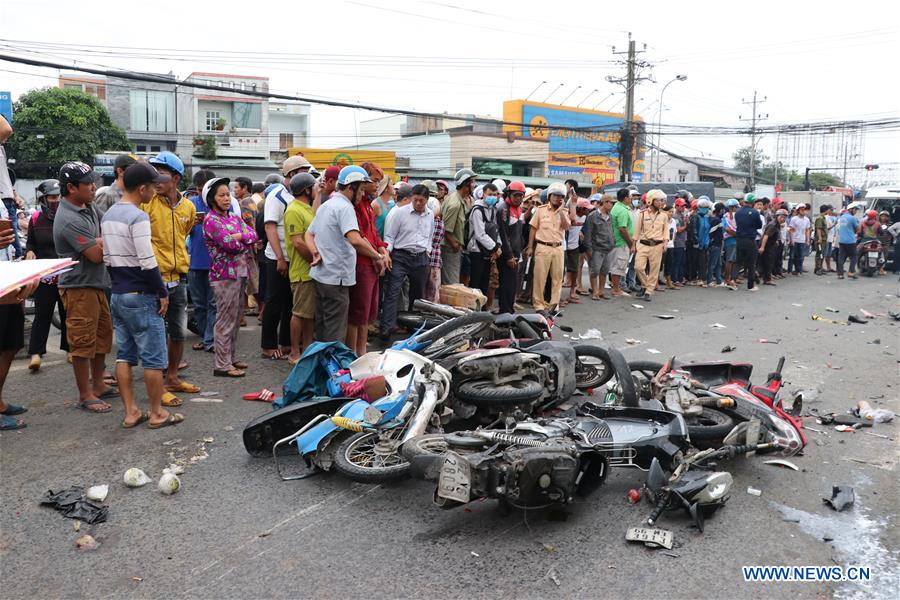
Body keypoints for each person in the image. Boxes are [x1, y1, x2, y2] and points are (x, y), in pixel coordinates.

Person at [101, 162, 184, 429]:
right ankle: (158, 413)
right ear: (142, 188)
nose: (156, 189)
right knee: (153, 358)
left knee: (124, 355)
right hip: (142, 293)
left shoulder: (109, 215)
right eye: (153, 185)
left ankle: (131, 412)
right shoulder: (138, 217)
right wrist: (161, 292)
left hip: (119, 293)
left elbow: (107, 258)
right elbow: (148, 261)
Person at [53, 161, 118, 413]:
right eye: (88, 183)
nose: (94, 187)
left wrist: (102, 240)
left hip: (97, 283)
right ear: (71, 187)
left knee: (102, 337)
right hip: (78, 287)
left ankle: (99, 384)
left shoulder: (87, 205)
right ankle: (85, 394)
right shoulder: (69, 218)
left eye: (94, 181)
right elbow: (95, 255)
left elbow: (109, 228)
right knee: (82, 342)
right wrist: (102, 242)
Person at [143, 151, 199, 403]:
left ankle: (173, 377)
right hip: (155, 278)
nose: (155, 178)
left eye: (161, 173)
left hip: (180, 276)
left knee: (178, 331)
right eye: (152, 172)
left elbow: (185, 233)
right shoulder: (147, 203)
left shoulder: (188, 207)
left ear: (176, 177)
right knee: (154, 332)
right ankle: (156, 386)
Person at [306, 165, 383, 342]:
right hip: (336, 279)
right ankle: (333, 369)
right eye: (361, 189)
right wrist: (377, 256)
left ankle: (322, 366)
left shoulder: (327, 205)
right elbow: (355, 239)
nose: (363, 194)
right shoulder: (345, 207)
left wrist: (315, 252)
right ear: (350, 187)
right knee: (335, 332)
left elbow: (309, 234)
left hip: (321, 276)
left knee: (323, 327)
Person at [202, 177, 258, 378]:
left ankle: (230, 359)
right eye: (222, 195)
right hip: (223, 275)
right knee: (225, 319)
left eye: (228, 194)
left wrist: (240, 237)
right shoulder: (211, 220)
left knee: (235, 319)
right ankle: (222, 364)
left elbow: (253, 235)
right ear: (212, 198)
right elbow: (229, 245)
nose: (227, 198)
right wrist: (241, 240)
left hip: (241, 272)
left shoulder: (233, 217)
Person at [261, 156, 311, 359]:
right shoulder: (277, 196)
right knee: (274, 301)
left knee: (290, 303)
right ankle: (268, 345)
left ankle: (286, 342)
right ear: (292, 174)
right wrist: (280, 258)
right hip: (276, 257)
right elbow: (269, 226)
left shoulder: (296, 196)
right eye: (303, 171)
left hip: (295, 258)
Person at [24, 179, 69, 370]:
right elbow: (31, 243)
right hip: (45, 276)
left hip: (67, 274)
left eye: (58, 197)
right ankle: (36, 353)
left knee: (68, 314)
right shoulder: (35, 219)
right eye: (51, 197)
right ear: (43, 199)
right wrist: (29, 252)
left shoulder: (67, 217)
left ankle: (71, 350)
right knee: (42, 314)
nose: (55, 201)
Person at [347, 162, 390, 357]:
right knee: (357, 314)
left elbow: (373, 234)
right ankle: (352, 353)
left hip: (371, 262)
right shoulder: (355, 206)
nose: (376, 186)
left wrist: (383, 251)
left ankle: (362, 351)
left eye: (379, 182)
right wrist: (378, 255)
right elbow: (360, 236)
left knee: (367, 314)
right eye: (373, 181)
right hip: (361, 263)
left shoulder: (368, 206)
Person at [284, 173, 317, 360]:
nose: (315, 190)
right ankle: (295, 352)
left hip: (310, 271)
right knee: (298, 313)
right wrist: (314, 257)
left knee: (308, 315)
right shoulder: (294, 210)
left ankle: (307, 350)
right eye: (313, 187)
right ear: (306, 190)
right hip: (302, 271)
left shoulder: (307, 208)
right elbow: (297, 242)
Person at [526, 182, 573, 312]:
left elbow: (566, 226)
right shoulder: (541, 210)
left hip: (558, 248)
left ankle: (554, 305)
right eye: (555, 195)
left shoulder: (564, 211)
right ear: (549, 196)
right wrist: (530, 247)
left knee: (557, 278)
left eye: (561, 196)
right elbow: (533, 228)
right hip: (542, 246)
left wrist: (561, 211)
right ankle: (539, 305)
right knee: (540, 277)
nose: (558, 198)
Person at [186, 169, 217, 353]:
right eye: (198, 189)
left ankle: (210, 339)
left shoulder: (221, 203)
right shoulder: (190, 204)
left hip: (216, 263)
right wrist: (191, 224)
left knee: (214, 304)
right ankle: (206, 336)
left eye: (204, 189)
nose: (200, 193)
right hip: (194, 261)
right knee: (199, 304)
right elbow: (180, 231)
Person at [466, 182, 501, 297]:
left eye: (495, 194)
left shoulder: (492, 209)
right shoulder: (477, 210)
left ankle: (482, 309)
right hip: (477, 250)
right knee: (475, 282)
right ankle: (472, 309)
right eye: (490, 194)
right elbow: (480, 234)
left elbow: (496, 230)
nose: (493, 197)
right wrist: (495, 247)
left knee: (485, 282)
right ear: (483, 195)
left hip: (488, 250)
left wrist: (498, 246)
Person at [633, 190, 669, 302]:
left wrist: (665, 243)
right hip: (643, 244)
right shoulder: (642, 214)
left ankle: (648, 291)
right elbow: (637, 231)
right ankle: (645, 285)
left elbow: (666, 231)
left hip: (657, 245)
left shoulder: (664, 215)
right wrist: (633, 245)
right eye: (658, 200)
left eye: (662, 200)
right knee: (638, 267)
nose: (661, 203)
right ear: (650, 200)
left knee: (654, 270)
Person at [441, 168, 476, 284]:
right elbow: (446, 228)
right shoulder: (455, 204)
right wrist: (455, 245)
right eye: (472, 182)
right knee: (451, 284)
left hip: (452, 248)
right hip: (450, 249)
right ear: (466, 184)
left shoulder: (456, 199)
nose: (474, 185)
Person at [496, 181, 526, 313]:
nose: (518, 198)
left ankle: (510, 309)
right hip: (507, 254)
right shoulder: (503, 209)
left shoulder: (519, 209)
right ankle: (505, 311)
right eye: (516, 195)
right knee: (506, 284)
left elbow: (519, 234)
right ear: (508, 194)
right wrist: (509, 256)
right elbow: (503, 234)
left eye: (521, 195)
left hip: (516, 253)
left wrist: (519, 253)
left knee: (513, 285)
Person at [582, 194, 615, 301]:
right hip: (597, 248)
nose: (612, 205)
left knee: (604, 271)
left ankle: (601, 291)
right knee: (595, 271)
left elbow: (612, 231)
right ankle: (595, 291)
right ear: (604, 202)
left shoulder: (611, 216)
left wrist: (612, 242)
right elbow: (588, 234)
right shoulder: (593, 216)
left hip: (608, 248)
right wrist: (589, 249)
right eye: (610, 202)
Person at [234, 176, 260, 313]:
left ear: (244, 188)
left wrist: (253, 242)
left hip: (248, 244)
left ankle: (261, 310)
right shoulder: (250, 201)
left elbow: (251, 223)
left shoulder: (244, 202)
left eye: (237, 187)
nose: (234, 190)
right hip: (251, 243)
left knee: (251, 279)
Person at [608, 188, 635, 297]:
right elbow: (622, 229)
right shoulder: (622, 210)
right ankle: (616, 289)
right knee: (618, 267)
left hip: (617, 242)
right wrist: (630, 243)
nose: (631, 198)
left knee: (618, 266)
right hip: (621, 242)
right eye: (630, 196)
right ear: (625, 198)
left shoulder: (617, 207)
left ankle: (617, 288)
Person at [734, 195, 764, 291]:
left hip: (739, 239)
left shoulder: (737, 212)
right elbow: (759, 225)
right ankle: (750, 285)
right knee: (751, 263)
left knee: (738, 262)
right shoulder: (755, 212)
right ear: (753, 202)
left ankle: (732, 281)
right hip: (750, 240)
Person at [562, 198, 589, 305]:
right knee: (560, 272)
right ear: (580, 209)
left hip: (574, 246)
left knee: (574, 270)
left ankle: (572, 292)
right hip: (564, 246)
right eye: (586, 209)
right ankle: (557, 296)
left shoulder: (584, 217)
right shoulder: (569, 217)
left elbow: (582, 230)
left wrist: (581, 234)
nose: (588, 211)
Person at [759, 208, 787, 286]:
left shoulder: (777, 225)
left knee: (769, 261)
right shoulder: (773, 225)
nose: (783, 219)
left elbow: (774, 234)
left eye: (784, 217)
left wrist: (776, 240)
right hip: (767, 245)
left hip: (771, 244)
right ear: (777, 216)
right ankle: (767, 279)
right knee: (768, 262)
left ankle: (766, 278)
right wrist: (762, 247)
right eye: (781, 217)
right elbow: (766, 236)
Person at [690, 197, 713, 288]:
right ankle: (693, 278)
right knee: (695, 261)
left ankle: (702, 278)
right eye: (702, 206)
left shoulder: (708, 216)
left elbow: (708, 230)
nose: (704, 208)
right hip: (697, 243)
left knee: (703, 261)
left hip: (705, 242)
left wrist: (707, 241)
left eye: (706, 206)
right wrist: (696, 241)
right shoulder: (695, 216)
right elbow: (694, 230)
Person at [836, 203, 862, 279]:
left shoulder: (841, 217)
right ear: (850, 209)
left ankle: (840, 274)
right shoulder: (852, 218)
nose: (856, 211)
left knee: (841, 257)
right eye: (855, 209)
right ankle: (851, 272)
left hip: (842, 240)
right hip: (850, 241)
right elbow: (858, 230)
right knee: (854, 256)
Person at [787, 204, 811, 275]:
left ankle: (799, 271)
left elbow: (807, 230)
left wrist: (807, 240)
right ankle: (790, 271)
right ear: (798, 211)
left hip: (802, 240)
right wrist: (792, 240)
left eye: (804, 209)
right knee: (792, 256)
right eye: (801, 210)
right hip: (795, 239)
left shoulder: (807, 219)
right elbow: (791, 230)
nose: (803, 211)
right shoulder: (794, 219)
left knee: (800, 257)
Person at [706, 202, 725, 287]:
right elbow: (711, 233)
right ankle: (709, 280)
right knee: (712, 263)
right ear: (720, 210)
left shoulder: (713, 219)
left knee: (718, 264)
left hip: (717, 244)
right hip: (715, 244)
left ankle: (719, 280)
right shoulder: (716, 220)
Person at [670, 198, 688, 286]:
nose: (683, 207)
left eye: (684, 206)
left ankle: (680, 279)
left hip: (682, 242)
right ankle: (675, 279)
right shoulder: (675, 216)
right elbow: (678, 230)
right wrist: (685, 224)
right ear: (676, 206)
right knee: (676, 262)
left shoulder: (682, 215)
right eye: (681, 206)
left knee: (681, 262)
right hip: (677, 243)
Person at [722, 198, 739, 289]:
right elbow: (727, 229)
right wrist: (737, 235)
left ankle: (731, 278)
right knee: (730, 260)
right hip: (731, 240)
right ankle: (727, 279)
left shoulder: (732, 216)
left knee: (732, 260)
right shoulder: (726, 217)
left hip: (732, 240)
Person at [372, 174, 395, 241]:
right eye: (391, 184)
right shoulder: (375, 204)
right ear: (386, 188)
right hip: (375, 244)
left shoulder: (392, 204)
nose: (393, 187)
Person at [813, 205, 832, 275]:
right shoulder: (820, 218)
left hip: (824, 239)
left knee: (822, 254)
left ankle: (820, 267)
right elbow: (819, 228)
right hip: (821, 239)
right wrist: (820, 238)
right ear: (826, 210)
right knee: (819, 254)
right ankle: (818, 268)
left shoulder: (823, 218)